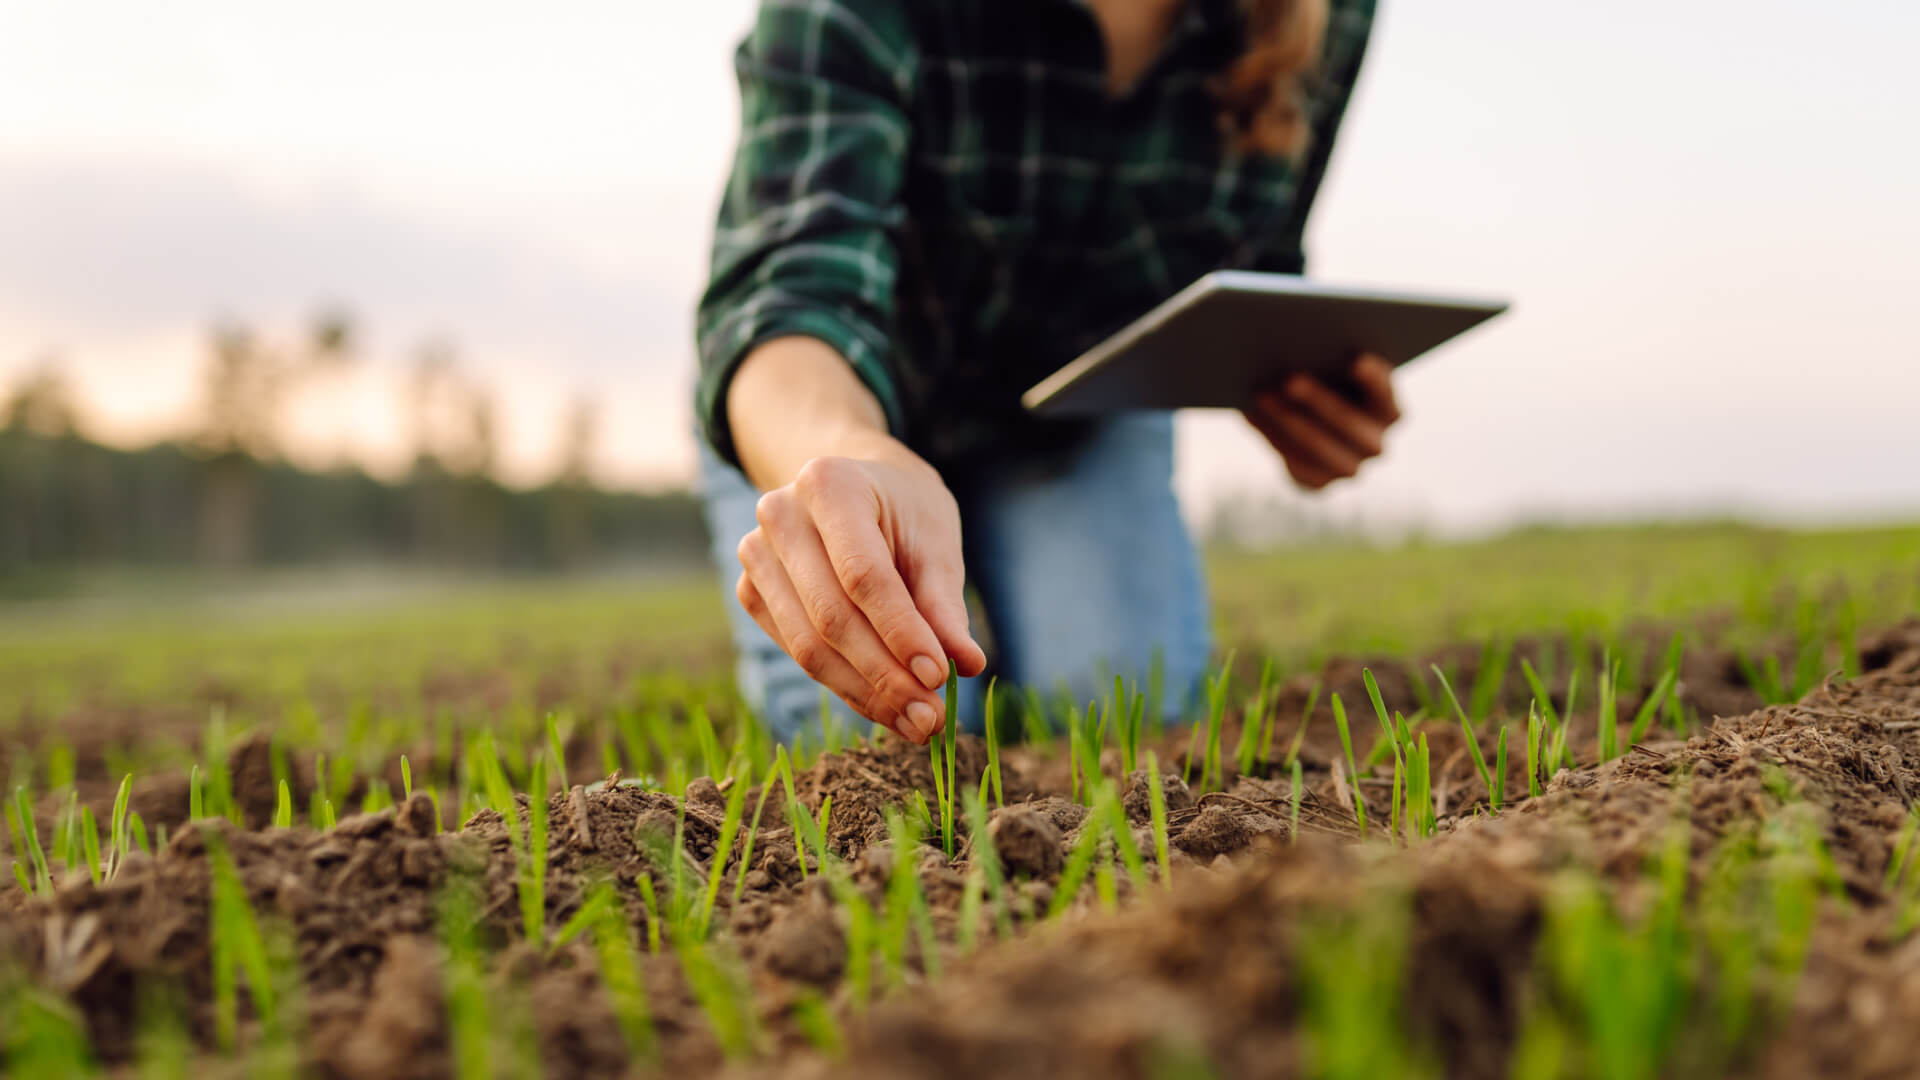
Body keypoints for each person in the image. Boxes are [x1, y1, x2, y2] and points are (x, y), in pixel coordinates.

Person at [695, 0, 1397, 747]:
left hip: (1070, 420)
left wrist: (1289, 384)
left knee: (1121, 700)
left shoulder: (1325, 17)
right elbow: (789, 289)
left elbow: (1254, 259)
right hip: (828, 402)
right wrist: (842, 457)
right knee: (879, 731)